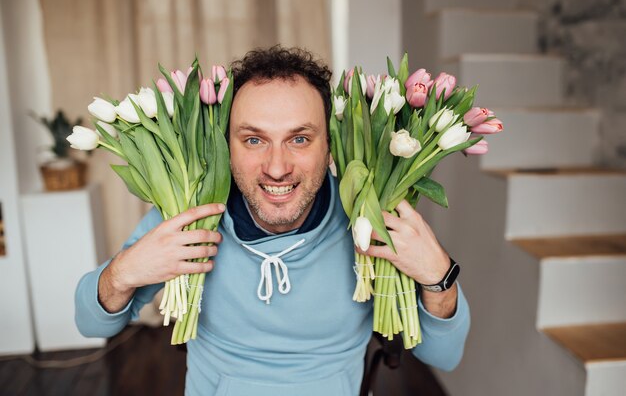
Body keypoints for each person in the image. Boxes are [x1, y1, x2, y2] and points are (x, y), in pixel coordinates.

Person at [75, 46, 470, 396]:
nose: (277, 168)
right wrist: (123, 272)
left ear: (330, 144)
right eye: (253, 139)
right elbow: (91, 325)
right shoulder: (188, 217)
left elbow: (444, 356)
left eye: (299, 139)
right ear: (225, 145)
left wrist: (440, 277)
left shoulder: (369, 220)